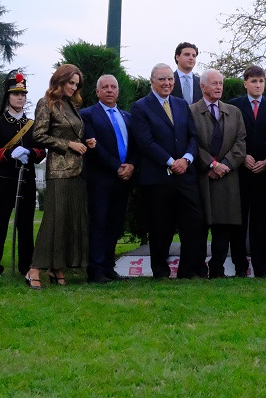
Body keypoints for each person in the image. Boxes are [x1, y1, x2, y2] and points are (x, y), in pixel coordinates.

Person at [131, 63, 208, 279]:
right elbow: (145, 142)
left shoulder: (182, 105)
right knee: (160, 227)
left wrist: (186, 159)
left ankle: (187, 271)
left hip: (185, 174)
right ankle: (161, 272)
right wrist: (170, 161)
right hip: (158, 178)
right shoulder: (140, 107)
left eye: (170, 80)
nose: (167, 83)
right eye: (162, 79)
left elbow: (193, 136)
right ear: (152, 82)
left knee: (193, 222)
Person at [27, 64, 93, 289]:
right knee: (53, 221)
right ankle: (34, 268)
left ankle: (57, 267)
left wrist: (85, 143)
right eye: (70, 83)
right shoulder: (46, 103)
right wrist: (69, 144)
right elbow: (38, 135)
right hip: (58, 170)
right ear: (60, 80)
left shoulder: (72, 104)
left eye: (76, 84)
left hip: (77, 171)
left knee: (68, 222)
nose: (74, 87)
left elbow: (73, 134)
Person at [0, 71, 46, 278]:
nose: (20, 97)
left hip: (26, 179)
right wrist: (9, 154)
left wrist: (30, 152)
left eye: (23, 94)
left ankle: (26, 266)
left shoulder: (33, 125)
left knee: (26, 225)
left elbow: (41, 151)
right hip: (2, 179)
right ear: (7, 97)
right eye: (16, 94)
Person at [190, 69, 247, 278]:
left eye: (221, 84)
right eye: (214, 83)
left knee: (224, 226)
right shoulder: (191, 111)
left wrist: (225, 165)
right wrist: (212, 165)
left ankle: (217, 269)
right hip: (202, 176)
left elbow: (241, 143)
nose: (218, 87)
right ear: (202, 86)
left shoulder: (234, 112)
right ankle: (198, 268)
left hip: (227, 177)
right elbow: (191, 143)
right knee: (200, 225)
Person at [80, 74, 136, 283]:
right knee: (99, 223)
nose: (110, 90)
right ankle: (95, 270)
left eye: (114, 87)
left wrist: (131, 165)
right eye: (105, 87)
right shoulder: (88, 115)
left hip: (124, 179)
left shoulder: (127, 116)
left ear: (118, 91)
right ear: (97, 92)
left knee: (116, 223)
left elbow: (135, 145)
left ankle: (108, 266)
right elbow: (94, 148)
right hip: (101, 179)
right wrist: (116, 167)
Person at [229, 66, 266, 278]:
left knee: (260, 220)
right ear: (245, 83)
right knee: (239, 219)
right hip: (241, 170)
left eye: (261, 81)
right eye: (253, 81)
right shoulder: (234, 106)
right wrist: (242, 157)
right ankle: (240, 266)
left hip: (263, 171)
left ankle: (261, 268)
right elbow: (230, 137)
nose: (258, 85)